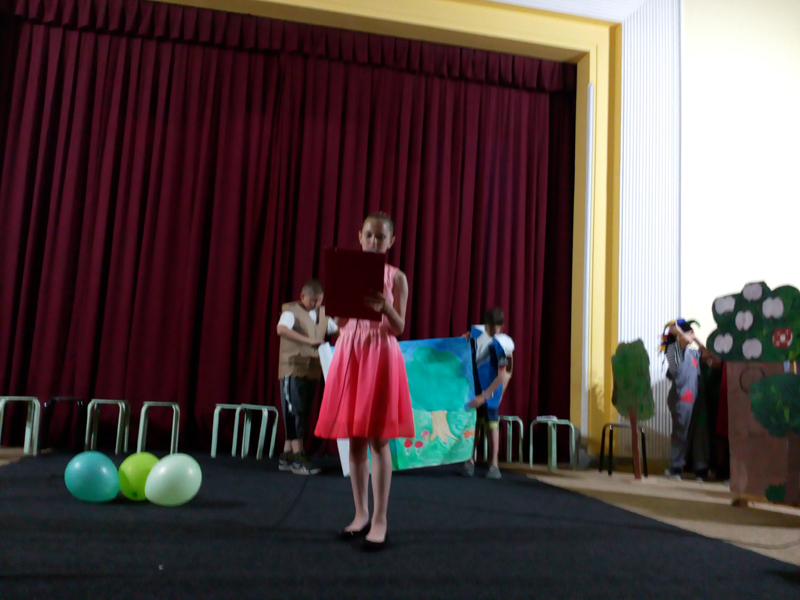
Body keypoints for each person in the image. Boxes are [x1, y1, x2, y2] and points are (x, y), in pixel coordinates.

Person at [314, 213, 413, 551]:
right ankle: (360, 514)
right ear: (359, 236)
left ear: (391, 241)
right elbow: (340, 321)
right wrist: (341, 300)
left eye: (380, 236)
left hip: (380, 351)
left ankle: (380, 519)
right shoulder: (346, 271)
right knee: (355, 441)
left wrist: (385, 307)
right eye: (369, 235)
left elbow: (399, 327)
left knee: (378, 440)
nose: (374, 241)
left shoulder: (396, 277)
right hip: (350, 350)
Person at [276, 279, 338, 475]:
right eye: (313, 300)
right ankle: (299, 456)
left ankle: (287, 456)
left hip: (312, 370)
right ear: (302, 296)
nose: (316, 304)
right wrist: (308, 340)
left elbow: (337, 328)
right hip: (292, 368)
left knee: (302, 412)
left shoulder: (323, 314)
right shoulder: (291, 312)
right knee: (294, 411)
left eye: (319, 300)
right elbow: (281, 329)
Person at [462, 307, 515, 479]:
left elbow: (501, 375)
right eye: (489, 327)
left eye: (496, 328)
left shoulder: (500, 346)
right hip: (476, 387)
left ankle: (494, 464)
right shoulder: (476, 338)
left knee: (492, 423)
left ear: (502, 326)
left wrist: (484, 396)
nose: (492, 331)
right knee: (475, 423)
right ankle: (469, 459)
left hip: (491, 390)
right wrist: (463, 340)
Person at [661, 319, 713, 480]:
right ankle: (675, 467)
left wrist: (695, 338)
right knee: (680, 434)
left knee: (699, 434)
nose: (690, 335)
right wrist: (679, 332)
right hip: (681, 400)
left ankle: (700, 469)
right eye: (688, 333)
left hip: (697, 399)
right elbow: (684, 340)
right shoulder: (673, 351)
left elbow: (707, 353)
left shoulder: (692, 353)